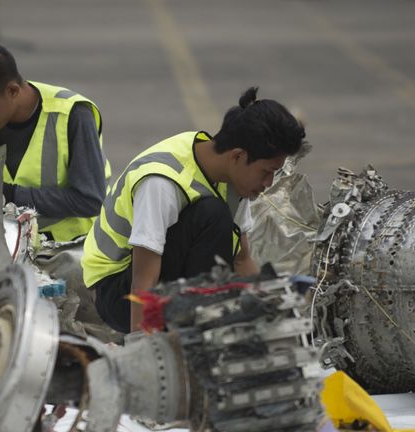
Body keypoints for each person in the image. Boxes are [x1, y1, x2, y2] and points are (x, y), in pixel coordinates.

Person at [82, 87, 306, 333]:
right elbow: (143, 280)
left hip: (157, 280)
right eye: (266, 172)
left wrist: (275, 316)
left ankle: (204, 322)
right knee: (212, 214)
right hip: (117, 293)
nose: (268, 184)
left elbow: (241, 259)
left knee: (216, 221)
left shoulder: (230, 177)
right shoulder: (161, 183)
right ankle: (199, 329)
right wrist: (143, 353)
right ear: (238, 156)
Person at [0, 40, 110, 242]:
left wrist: (8, 195)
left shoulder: (73, 115)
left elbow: (90, 200)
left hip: (74, 247)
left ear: (12, 91)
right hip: (13, 244)